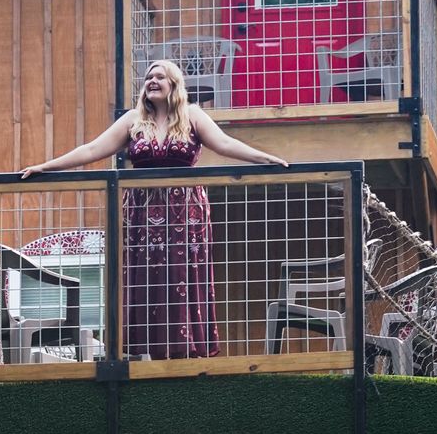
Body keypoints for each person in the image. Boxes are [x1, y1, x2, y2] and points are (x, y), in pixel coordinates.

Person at [22, 60, 285, 360]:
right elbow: (93, 149)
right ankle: (142, 353)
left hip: (186, 215)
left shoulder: (192, 115)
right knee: (145, 278)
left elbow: (224, 143)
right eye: (148, 77)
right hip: (141, 217)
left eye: (160, 76)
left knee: (181, 278)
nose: (152, 80)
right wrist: (47, 166)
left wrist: (264, 158)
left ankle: (188, 353)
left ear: (174, 83)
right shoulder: (134, 120)